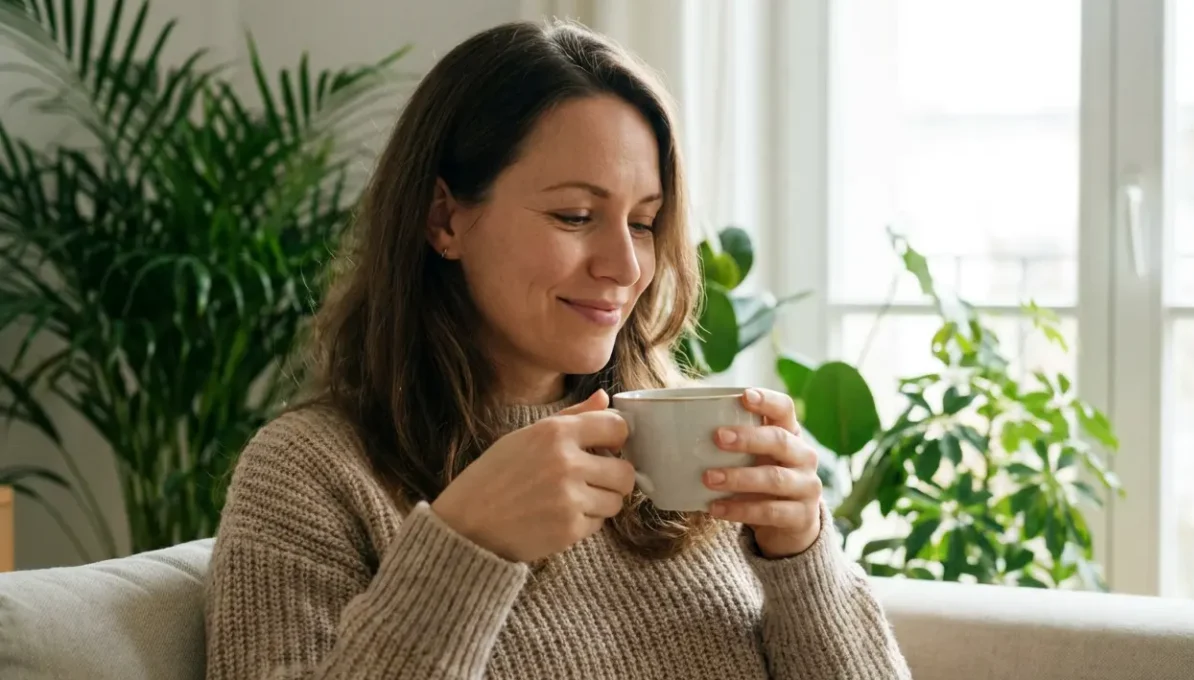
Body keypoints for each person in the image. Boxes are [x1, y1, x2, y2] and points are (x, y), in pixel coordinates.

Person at [204, 19, 911, 680]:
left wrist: (803, 555)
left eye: (643, 223)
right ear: (444, 219)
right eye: (575, 215)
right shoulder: (310, 476)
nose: (627, 267)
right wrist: (464, 548)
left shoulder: (679, 450)